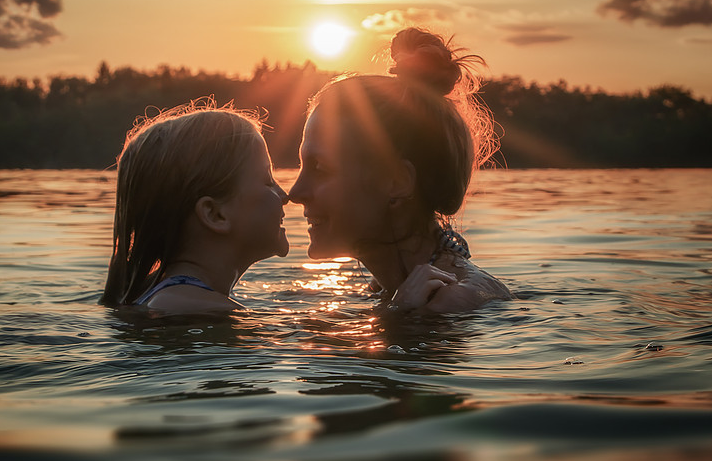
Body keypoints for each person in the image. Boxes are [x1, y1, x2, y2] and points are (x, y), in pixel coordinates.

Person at [289, 27, 511, 314]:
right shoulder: (386, 288)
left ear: (397, 181)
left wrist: (400, 318)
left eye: (320, 168)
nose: (295, 192)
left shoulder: (451, 302)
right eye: (302, 165)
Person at [100, 100, 289, 315]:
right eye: (268, 180)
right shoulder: (197, 308)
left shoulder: (163, 296)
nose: (285, 195)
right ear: (215, 214)